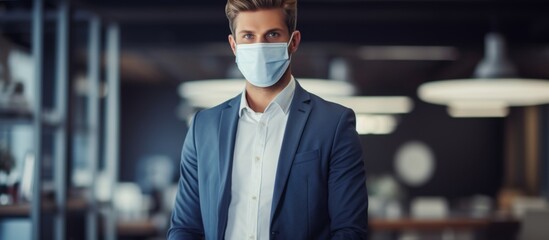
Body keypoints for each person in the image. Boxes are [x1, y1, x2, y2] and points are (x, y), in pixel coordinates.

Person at [167, 0, 368, 239]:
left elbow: (349, 230)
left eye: (272, 34)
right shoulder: (204, 127)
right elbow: (185, 227)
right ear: (234, 45)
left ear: (293, 41)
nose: (260, 46)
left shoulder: (333, 124)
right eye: (248, 36)